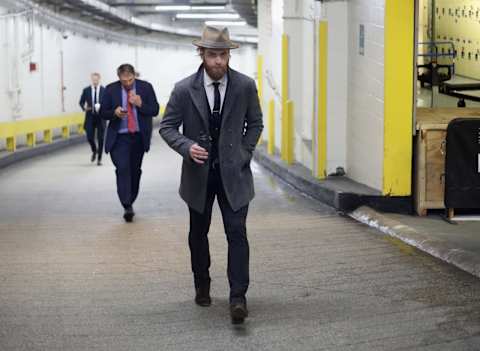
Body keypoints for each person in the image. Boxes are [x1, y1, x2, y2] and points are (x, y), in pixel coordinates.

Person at [159, 26, 263, 324]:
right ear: (201, 54)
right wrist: (187, 146)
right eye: (213, 55)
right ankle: (202, 282)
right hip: (198, 176)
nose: (218, 61)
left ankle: (238, 297)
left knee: (237, 233)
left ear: (229, 55)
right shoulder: (183, 89)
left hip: (235, 175)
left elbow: (255, 124)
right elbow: (167, 127)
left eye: (223, 55)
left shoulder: (244, 86)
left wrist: (243, 153)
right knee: (197, 234)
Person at [100, 64, 159, 222]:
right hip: (119, 138)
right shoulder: (111, 89)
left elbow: (155, 110)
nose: (127, 83)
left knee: (135, 170)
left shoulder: (145, 88)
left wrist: (140, 104)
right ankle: (126, 204)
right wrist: (114, 113)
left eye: (130, 80)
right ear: (119, 77)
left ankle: (130, 199)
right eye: (123, 80)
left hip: (138, 137)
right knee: (122, 168)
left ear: (135, 76)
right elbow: (102, 112)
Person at [79, 73, 105, 165]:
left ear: (99, 79)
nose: (95, 81)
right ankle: (94, 150)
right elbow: (81, 102)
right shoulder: (86, 90)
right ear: (91, 79)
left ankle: (99, 159)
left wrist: (104, 108)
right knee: (89, 137)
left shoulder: (104, 90)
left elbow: (108, 103)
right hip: (90, 116)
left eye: (96, 79)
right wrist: (84, 108)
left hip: (101, 117)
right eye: (93, 79)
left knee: (101, 138)